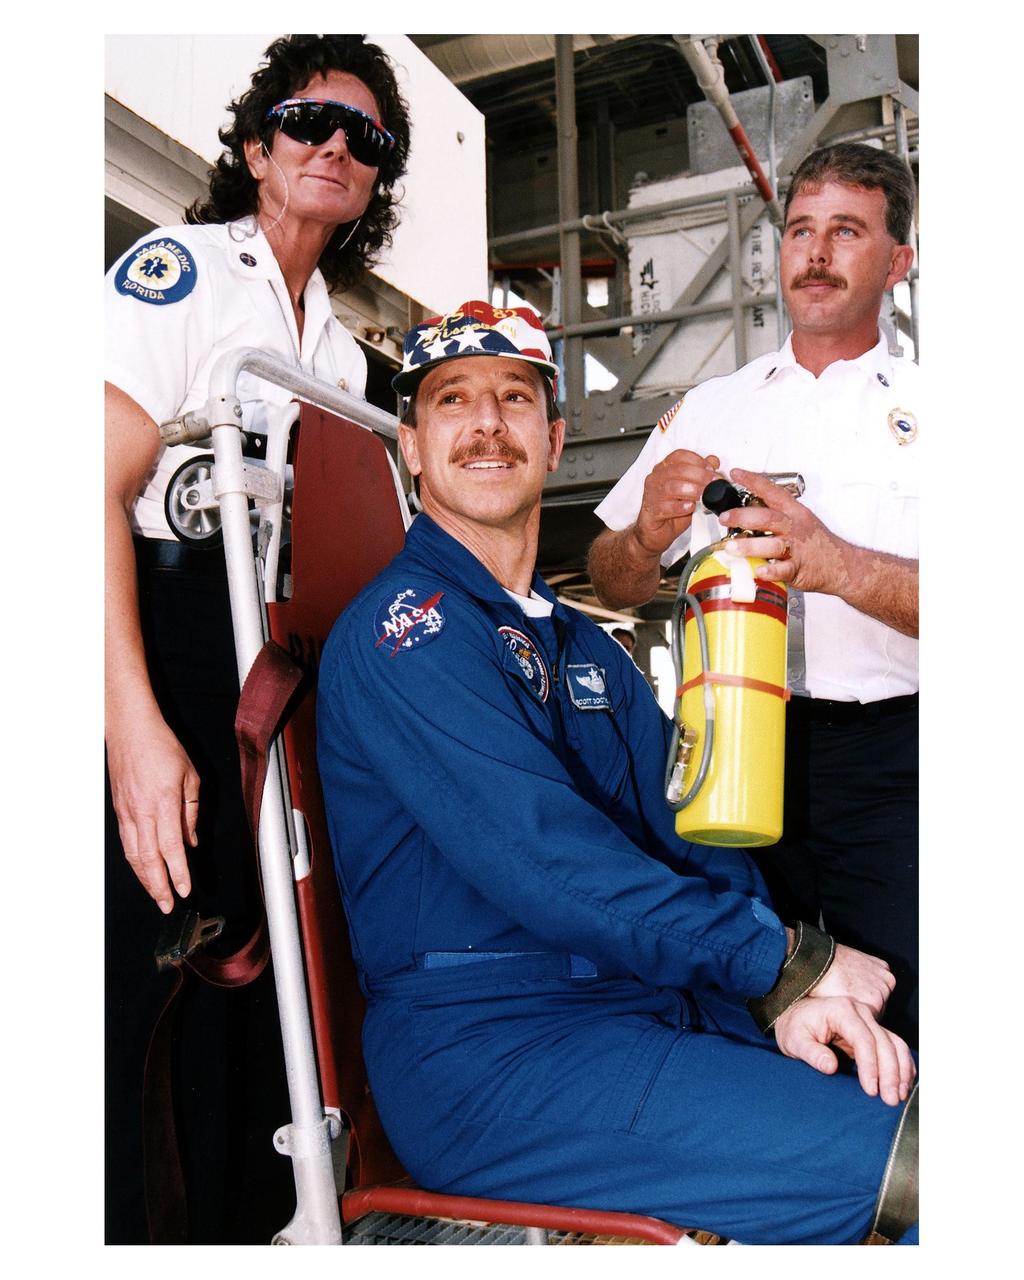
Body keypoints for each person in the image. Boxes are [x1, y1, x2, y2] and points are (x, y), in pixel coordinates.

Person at [315, 300, 918, 1246]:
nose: (486, 424)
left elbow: (689, 828)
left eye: (516, 398)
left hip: (634, 1012)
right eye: (452, 401)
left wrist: (782, 989)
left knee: (919, 1100)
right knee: (923, 1166)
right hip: (494, 1055)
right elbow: (553, 867)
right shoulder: (408, 635)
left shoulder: (583, 648)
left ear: (555, 441)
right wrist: (781, 962)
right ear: (412, 448)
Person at [104, 34, 411, 1243]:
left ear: (375, 177)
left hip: (284, 663)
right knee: (153, 984)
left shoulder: (338, 350)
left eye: (363, 136)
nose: (334, 145)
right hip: (168, 639)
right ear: (255, 147)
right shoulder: (181, 273)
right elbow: (79, 491)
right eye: (306, 121)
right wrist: (132, 729)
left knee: (267, 974)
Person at [587, 143, 919, 1046]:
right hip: (726, 740)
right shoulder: (708, 409)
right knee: (750, 1008)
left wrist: (839, 565)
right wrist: (645, 535)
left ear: (899, 260)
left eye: (846, 231)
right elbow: (610, 576)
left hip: (895, 761)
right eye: (801, 230)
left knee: (909, 1007)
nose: (816, 252)